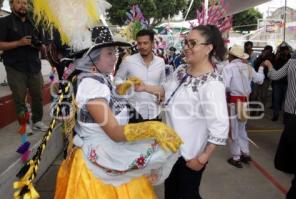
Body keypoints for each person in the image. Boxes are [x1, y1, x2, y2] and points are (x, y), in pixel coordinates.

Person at [54, 26, 182, 199]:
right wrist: (153, 128)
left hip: (106, 149)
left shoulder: (99, 78)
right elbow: (114, 132)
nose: (115, 58)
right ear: (93, 58)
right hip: (102, 156)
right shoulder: (92, 85)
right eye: (109, 53)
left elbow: (108, 102)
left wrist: (123, 88)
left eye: (114, 52)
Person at [135, 25, 229, 199]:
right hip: (170, 149)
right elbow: (165, 90)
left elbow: (220, 126)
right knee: (171, 192)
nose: (186, 47)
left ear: (209, 48)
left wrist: (202, 159)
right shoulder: (181, 71)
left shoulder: (212, 84)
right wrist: (144, 87)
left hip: (189, 155)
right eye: (185, 42)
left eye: (192, 43)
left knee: (186, 194)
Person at [0, 0, 48, 133]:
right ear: (11, 5)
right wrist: (19, 43)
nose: (23, 6)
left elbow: (41, 44)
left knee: (38, 95)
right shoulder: (4, 22)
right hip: (15, 66)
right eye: (19, 2)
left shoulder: (34, 22)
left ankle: (37, 121)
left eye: (25, 3)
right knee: (19, 98)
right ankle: (24, 124)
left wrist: (41, 46)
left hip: (34, 66)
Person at [222, 44, 265, 168]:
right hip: (245, 102)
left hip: (235, 102)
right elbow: (260, 80)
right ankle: (245, 153)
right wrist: (261, 68)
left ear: (231, 56)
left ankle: (236, 157)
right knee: (242, 128)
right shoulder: (248, 67)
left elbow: (225, 86)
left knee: (234, 130)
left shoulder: (228, 68)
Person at [264, 58, 296, 199]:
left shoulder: (292, 63)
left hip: (290, 110)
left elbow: (274, 75)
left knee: (290, 143)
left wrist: (269, 65)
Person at [115, 29, 166, 122]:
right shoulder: (128, 61)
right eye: (139, 43)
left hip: (155, 111)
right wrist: (125, 86)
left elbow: (163, 83)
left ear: (152, 43)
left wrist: (161, 96)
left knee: (155, 136)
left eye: (145, 43)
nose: (142, 46)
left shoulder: (160, 62)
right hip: (134, 111)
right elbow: (117, 78)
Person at [271, 43, 291, 121]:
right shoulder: (277, 57)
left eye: (287, 50)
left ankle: (285, 117)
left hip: (286, 82)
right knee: (276, 99)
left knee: (286, 100)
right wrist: (278, 53)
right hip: (278, 82)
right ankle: (275, 115)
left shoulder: (290, 58)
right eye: (284, 50)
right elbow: (274, 63)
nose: (285, 52)